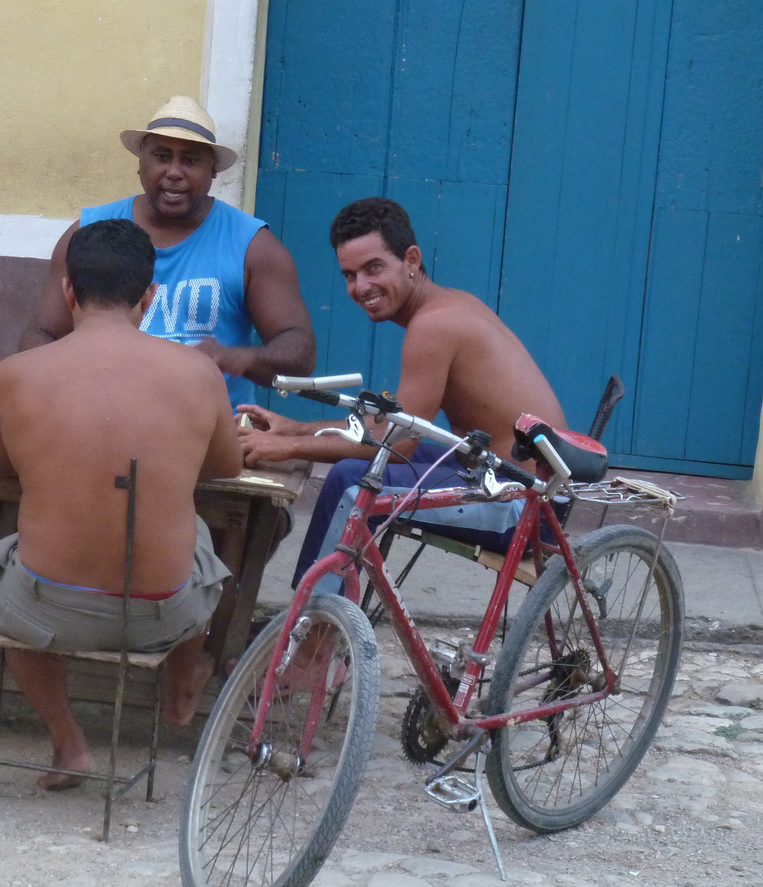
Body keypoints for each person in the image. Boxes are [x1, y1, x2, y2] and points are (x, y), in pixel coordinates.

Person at [0, 219, 242, 788]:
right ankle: (179, 688)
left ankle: (69, 743)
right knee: (200, 541)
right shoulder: (199, 373)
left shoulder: (14, 376)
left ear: (68, 291)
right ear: (151, 296)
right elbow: (225, 469)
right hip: (163, 615)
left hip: (46, 612)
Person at [235, 197, 568, 592]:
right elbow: (393, 426)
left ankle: (314, 640)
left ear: (411, 260)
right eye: (349, 275)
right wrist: (292, 430)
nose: (361, 287)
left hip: (525, 508)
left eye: (373, 268)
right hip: (508, 483)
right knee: (358, 473)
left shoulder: (433, 326)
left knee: (351, 482)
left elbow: (394, 446)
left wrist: (285, 449)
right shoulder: (447, 305)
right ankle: (324, 625)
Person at [19, 96, 316, 409]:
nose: (174, 172)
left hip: (209, 432)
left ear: (212, 171)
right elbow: (39, 335)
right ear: (140, 163)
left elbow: (300, 351)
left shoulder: (252, 246)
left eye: (190, 160)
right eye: (162, 156)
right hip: (101, 417)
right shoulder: (90, 233)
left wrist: (239, 357)